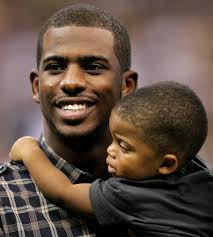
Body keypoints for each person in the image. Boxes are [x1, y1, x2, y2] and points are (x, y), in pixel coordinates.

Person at [0, 4, 138, 237]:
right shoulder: (4, 202)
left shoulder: (176, 189)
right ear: (36, 86)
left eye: (93, 67)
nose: (71, 82)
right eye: (55, 67)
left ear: (127, 86)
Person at [10, 81, 213, 237]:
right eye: (113, 138)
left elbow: (64, 192)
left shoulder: (131, 196)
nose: (110, 150)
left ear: (167, 164)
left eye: (124, 146)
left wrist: (29, 151)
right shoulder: (199, 172)